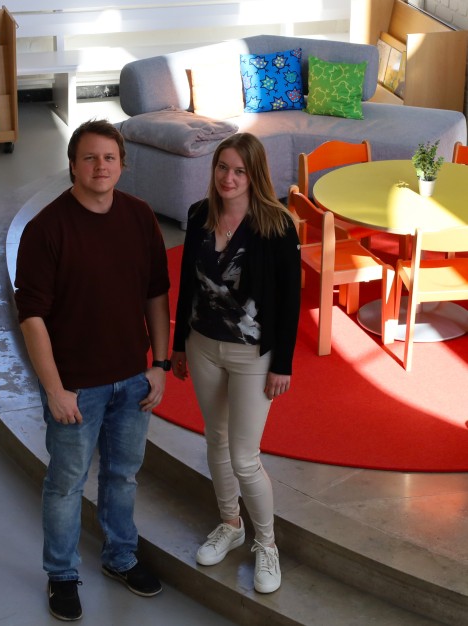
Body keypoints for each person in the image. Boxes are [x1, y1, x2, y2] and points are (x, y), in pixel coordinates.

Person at [14, 119, 171, 621]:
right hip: (76, 386)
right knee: (65, 484)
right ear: (72, 166)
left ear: (122, 164)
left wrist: (161, 364)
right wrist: (55, 389)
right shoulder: (46, 229)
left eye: (109, 158)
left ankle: (120, 556)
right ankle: (61, 574)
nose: (100, 167)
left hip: (132, 379)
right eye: (89, 158)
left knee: (123, 476)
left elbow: (155, 294)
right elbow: (31, 316)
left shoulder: (140, 217)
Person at [170, 132, 301, 594]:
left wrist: (281, 363)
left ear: (254, 175)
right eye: (222, 167)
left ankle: (267, 545)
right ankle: (231, 524)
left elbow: (289, 302)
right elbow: (186, 284)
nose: (228, 178)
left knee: (245, 457)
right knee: (216, 440)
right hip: (203, 345)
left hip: (253, 356)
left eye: (239, 171)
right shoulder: (199, 215)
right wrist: (178, 347)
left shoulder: (278, 226)